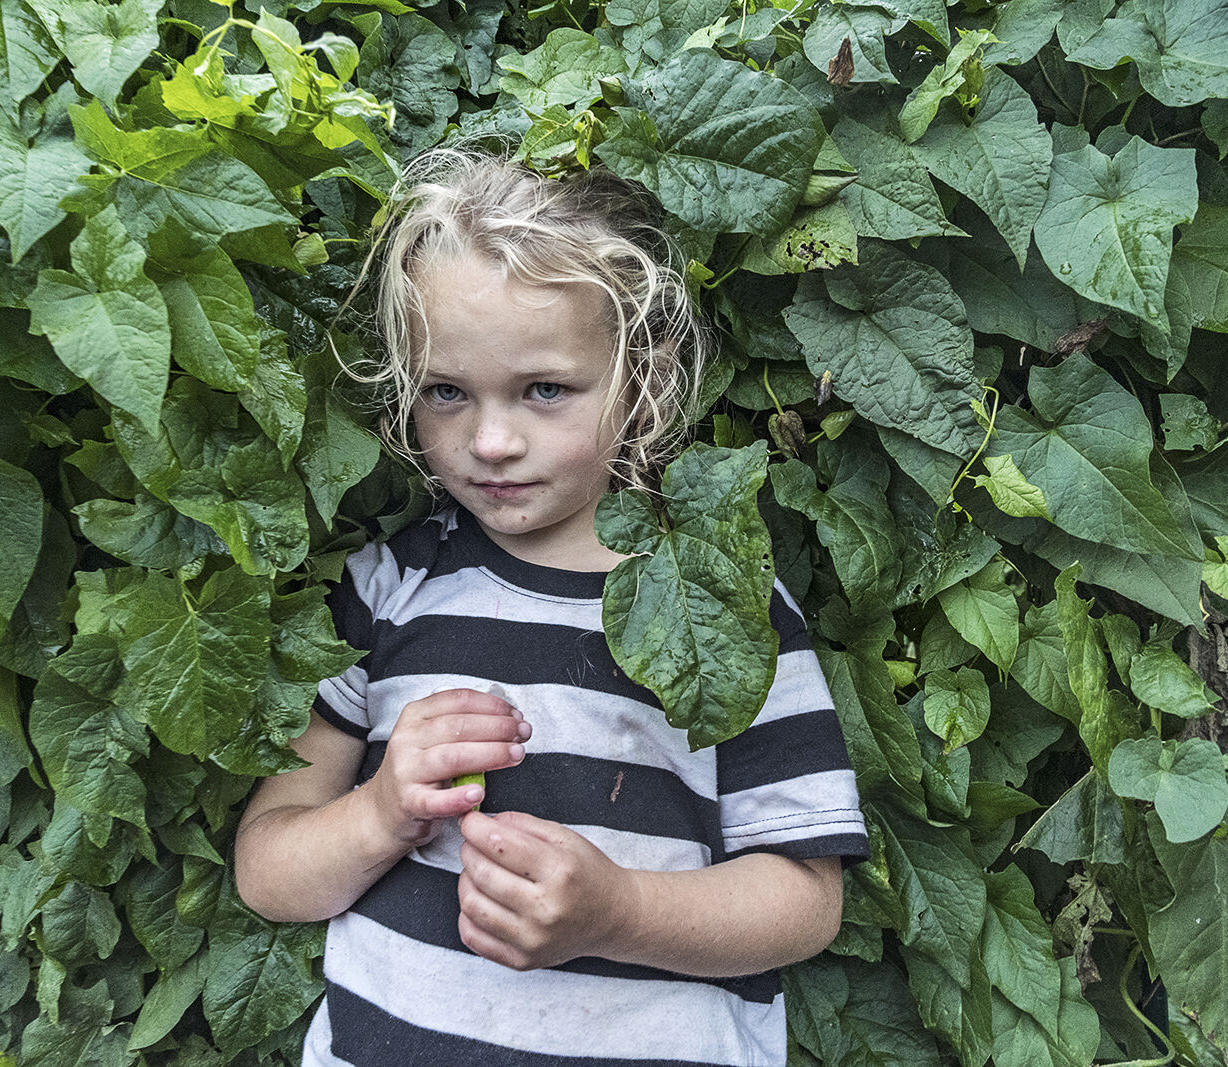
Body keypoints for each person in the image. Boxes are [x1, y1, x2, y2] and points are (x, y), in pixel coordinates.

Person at [233, 149, 869, 1067]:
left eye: (545, 390)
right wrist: (378, 814)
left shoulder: (720, 598)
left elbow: (806, 901)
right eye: (446, 392)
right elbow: (267, 870)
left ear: (638, 375)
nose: (490, 441)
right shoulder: (383, 589)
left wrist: (618, 911)